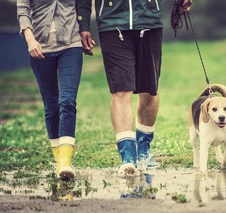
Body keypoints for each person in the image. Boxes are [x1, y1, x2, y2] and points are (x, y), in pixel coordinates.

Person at [76, 0, 193, 177]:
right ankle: (128, 157)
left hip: (149, 22)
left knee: (149, 91)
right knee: (120, 91)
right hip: (112, 24)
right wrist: (83, 24)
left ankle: (144, 148)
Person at [17, 0, 83, 181]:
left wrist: (85, 30)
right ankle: (59, 160)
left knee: (67, 100)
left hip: (71, 45)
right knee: (51, 105)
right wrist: (30, 40)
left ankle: (65, 163)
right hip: (39, 48)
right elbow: (23, 9)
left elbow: (82, 5)